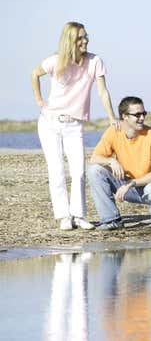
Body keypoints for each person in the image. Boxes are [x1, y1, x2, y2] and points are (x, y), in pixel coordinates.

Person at [31, 21, 119, 231]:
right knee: (57, 171)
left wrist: (111, 117)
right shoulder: (55, 61)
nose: (85, 40)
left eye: (86, 36)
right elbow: (34, 74)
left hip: (74, 125)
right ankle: (63, 216)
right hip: (50, 123)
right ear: (70, 40)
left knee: (78, 171)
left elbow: (103, 92)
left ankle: (78, 215)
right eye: (80, 38)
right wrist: (39, 100)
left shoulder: (94, 61)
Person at [88, 96, 151, 230]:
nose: (142, 118)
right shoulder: (114, 131)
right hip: (127, 186)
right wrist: (111, 160)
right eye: (137, 115)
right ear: (124, 116)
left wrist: (131, 183)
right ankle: (111, 220)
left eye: (143, 113)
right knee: (95, 170)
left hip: (150, 187)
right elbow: (94, 158)